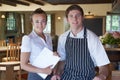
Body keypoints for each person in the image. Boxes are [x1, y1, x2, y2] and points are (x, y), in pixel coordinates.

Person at [51, 5, 110, 80]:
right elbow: (62, 60)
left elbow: (103, 65)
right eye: (71, 16)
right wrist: (57, 74)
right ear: (67, 19)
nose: (74, 19)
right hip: (66, 77)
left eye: (77, 15)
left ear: (82, 18)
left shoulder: (92, 38)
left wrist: (101, 76)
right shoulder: (62, 38)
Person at [20, 8, 53, 80]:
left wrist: (54, 55)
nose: (40, 24)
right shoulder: (28, 39)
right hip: (36, 76)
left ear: (46, 22)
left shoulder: (48, 37)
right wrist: (43, 71)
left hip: (49, 74)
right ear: (32, 23)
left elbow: (47, 56)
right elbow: (23, 65)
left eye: (43, 21)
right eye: (37, 21)